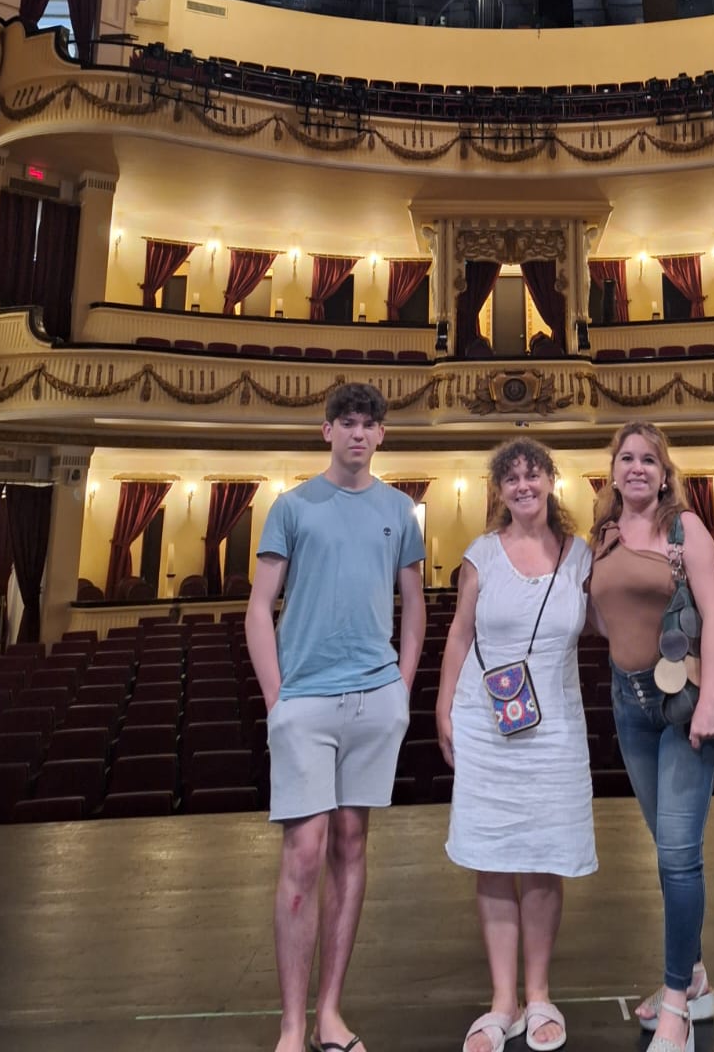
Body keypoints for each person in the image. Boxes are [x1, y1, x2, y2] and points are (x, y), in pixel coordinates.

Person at [246, 381, 427, 1052]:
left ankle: (329, 1013)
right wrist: (276, 699)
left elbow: (414, 604)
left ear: (382, 435)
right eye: (345, 422)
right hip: (307, 700)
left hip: (373, 696)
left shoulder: (401, 512)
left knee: (352, 844)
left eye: (368, 424)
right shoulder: (291, 507)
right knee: (304, 852)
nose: (357, 433)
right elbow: (259, 605)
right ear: (326, 431)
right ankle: (291, 1026)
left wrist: (401, 690)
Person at [437, 437, 596, 1052]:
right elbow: (456, 634)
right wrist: (444, 705)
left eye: (534, 475)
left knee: (543, 858)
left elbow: (605, 620)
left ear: (552, 481)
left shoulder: (580, 555)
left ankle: (538, 994)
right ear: (499, 491)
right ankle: (502, 1002)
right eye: (512, 479)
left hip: (555, 725)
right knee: (494, 855)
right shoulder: (480, 553)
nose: (524, 486)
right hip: (487, 720)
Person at [587, 422, 714, 1052]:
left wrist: (709, 707)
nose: (637, 467)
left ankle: (676, 1005)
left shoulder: (685, 529)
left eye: (649, 459)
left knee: (678, 853)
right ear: (612, 471)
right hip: (628, 703)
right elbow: (596, 619)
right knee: (667, 847)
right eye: (627, 458)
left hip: (683, 704)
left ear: (664, 472)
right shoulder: (603, 537)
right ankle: (694, 977)